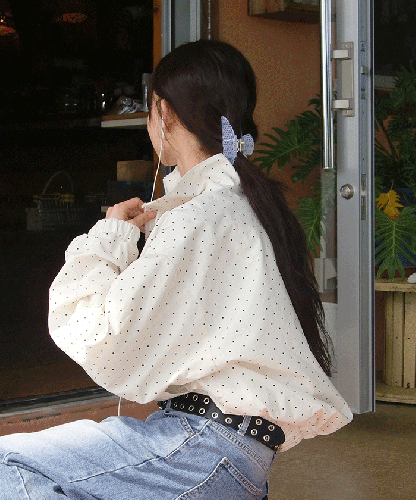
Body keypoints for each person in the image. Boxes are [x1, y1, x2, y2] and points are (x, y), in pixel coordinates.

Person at [0, 40, 352, 499]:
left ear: (163, 112)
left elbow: (98, 332)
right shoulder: (242, 202)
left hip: (202, 448)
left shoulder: (200, 215)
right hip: (228, 452)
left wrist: (109, 237)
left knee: (8, 464)